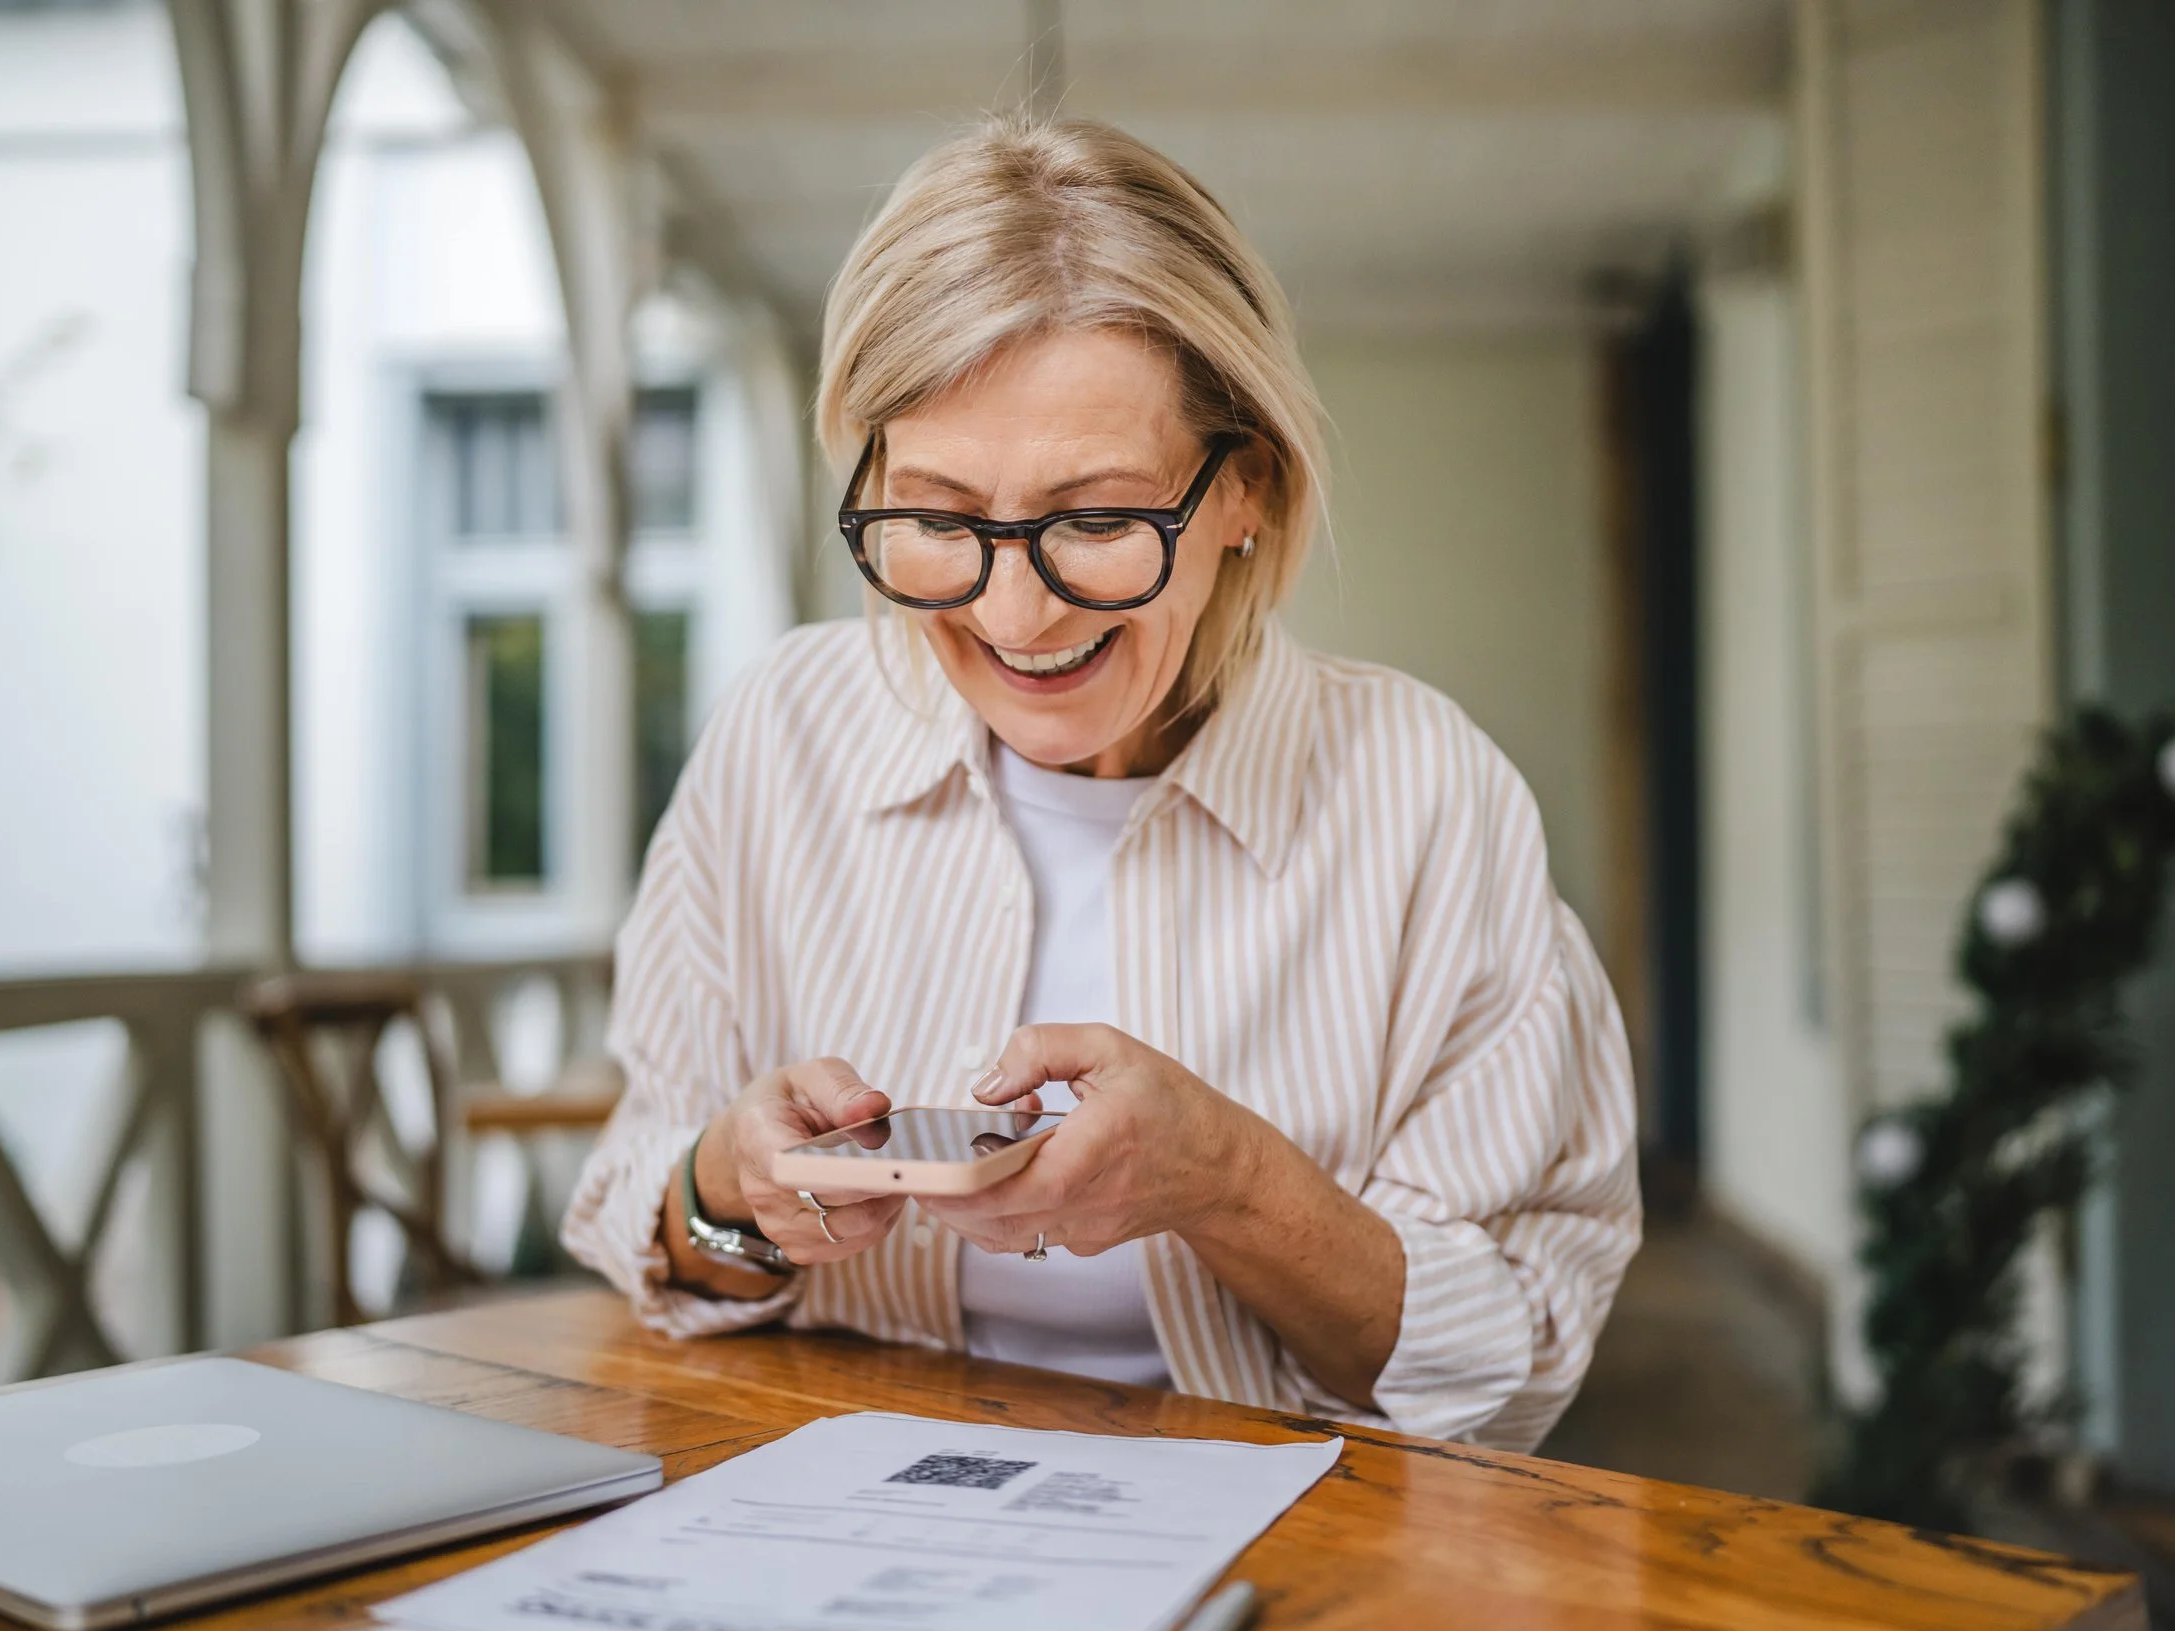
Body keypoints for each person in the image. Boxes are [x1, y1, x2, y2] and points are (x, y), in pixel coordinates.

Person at [563, 113, 1638, 1448]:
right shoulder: (781, 738)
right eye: (942, 519)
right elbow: (645, 1217)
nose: (1014, 612)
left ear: (1245, 488)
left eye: (1095, 519)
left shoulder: (1429, 800)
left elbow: (1517, 1360)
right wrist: (731, 1186)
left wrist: (1230, 1181)